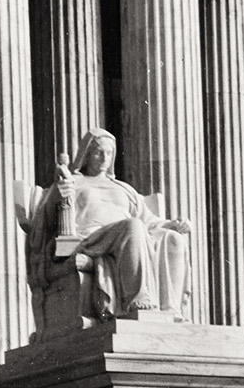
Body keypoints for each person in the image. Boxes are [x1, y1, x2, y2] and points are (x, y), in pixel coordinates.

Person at [34, 127, 192, 318]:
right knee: (132, 226)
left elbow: (149, 220)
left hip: (131, 237)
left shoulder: (124, 188)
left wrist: (172, 225)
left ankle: (170, 311)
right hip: (90, 239)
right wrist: (56, 196)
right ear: (86, 154)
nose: (104, 158)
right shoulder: (73, 182)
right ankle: (137, 301)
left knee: (173, 239)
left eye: (109, 153)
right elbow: (45, 221)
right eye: (98, 152)